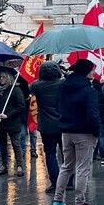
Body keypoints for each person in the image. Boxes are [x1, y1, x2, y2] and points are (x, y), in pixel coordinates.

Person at [51, 60, 101, 205]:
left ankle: (58, 200)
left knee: (66, 166)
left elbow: (57, 106)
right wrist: (96, 131)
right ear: (86, 72)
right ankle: (80, 203)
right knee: (82, 168)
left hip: (66, 131)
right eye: (92, 70)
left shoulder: (63, 87)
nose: (93, 73)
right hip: (84, 133)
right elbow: (92, 115)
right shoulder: (89, 91)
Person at [30, 61, 65, 193]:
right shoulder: (63, 84)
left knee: (50, 154)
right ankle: (69, 180)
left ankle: (55, 183)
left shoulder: (36, 86)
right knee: (66, 154)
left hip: (46, 125)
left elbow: (30, 87)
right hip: (63, 123)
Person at [0, 70, 27, 178]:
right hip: (0, 122)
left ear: (9, 78)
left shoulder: (15, 90)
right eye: (0, 77)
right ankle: (4, 164)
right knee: (2, 145)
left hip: (12, 122)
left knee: (16, 144)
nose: (1, 79)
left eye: (4, 77)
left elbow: (21, 106)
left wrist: (8, 115)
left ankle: (19, 165)